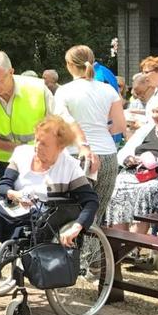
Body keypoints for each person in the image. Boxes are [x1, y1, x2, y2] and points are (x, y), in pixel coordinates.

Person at [0, 116, 97, 308]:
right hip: (12, 205)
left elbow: (90, 201)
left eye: (45, 143)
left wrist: (77, 227)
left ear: (60, 147)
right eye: (37, 140)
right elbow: (4, 184)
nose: (38, 146)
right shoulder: (23, 153)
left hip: (40, 217)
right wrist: (13, 193)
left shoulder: (69, 166)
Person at [53, 45, 124, 218]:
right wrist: (103, 128)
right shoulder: (109, 90)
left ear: (69, 65)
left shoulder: (64, 91)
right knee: (95, 217)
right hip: (107, 154)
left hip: (76, 155)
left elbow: (60, 125)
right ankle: (91, 245)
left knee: (71, 215)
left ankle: (69, 246)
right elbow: (120, 126)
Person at [0, 49, 55, 185]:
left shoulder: (38, 89)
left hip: (35, 158)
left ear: (11, 72)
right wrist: (18, 149)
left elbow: (56, 127)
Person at [104, 92, 158, 232]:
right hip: (136, 172)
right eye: (153, 111)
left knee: (144, 191)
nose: (154, 115)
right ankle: (120, 239)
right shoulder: (147, 128)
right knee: (118, 186)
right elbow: (123, 152)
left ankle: (135, 242)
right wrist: (128, 159)